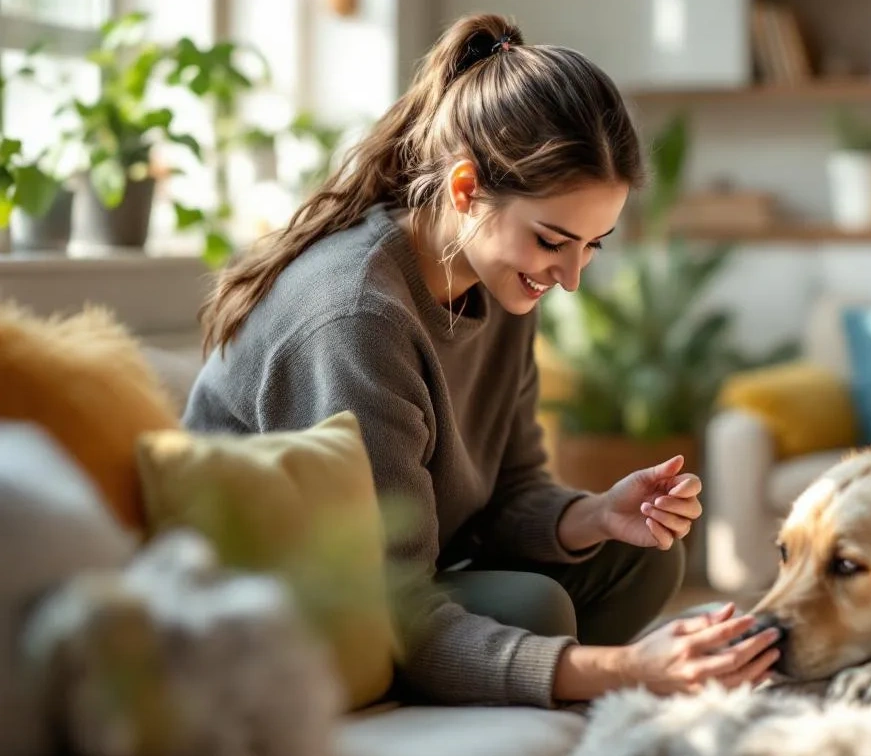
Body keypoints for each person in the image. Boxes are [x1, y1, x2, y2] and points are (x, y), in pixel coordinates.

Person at [181, 13, 781, 709]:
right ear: (466, 191)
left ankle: (522, 665)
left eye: (593, 245)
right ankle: (526, 668)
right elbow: (393, 607)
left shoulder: (493, 279)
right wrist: (626, 669)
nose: (571, 277)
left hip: (409, 567)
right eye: (554, 240)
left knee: (642, 556)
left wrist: (598, 515)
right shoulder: (358, 319)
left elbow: (511, 492)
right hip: (299, 600)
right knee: (538, 609)